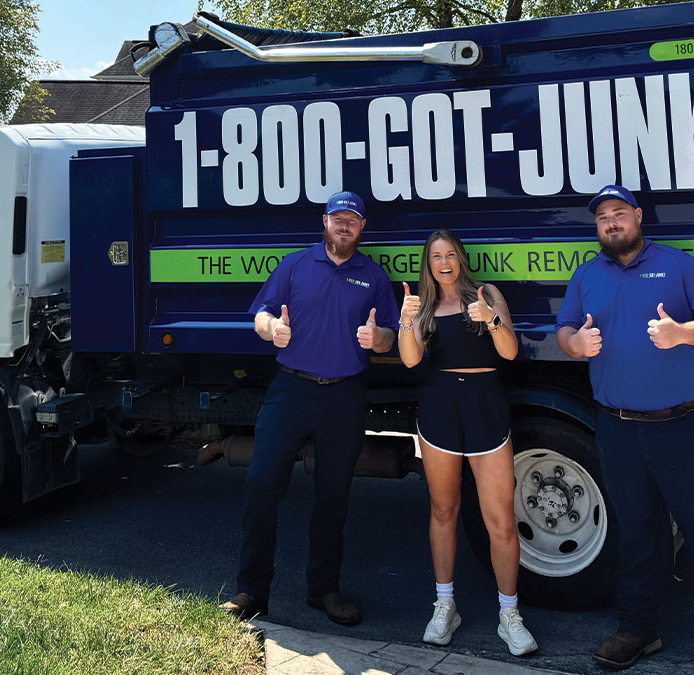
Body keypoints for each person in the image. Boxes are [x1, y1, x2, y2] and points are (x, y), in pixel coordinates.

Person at [554, 185, 694, 675]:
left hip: (681, 427)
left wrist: (682, 334)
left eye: (618, 213)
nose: (611, 222)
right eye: (603, 217)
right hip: (617, 428)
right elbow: (564, 330)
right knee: (637, 535)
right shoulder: (586, 275)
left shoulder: (677, 265)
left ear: (637, 216)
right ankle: (638, 631)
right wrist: (576, 343)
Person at [220, 191, 399, 626]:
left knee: (333, 496)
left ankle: (324, 590)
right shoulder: (295, 265)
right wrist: (272, 329)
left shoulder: (373, 276)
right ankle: (251, 591)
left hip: (345, 395)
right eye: (337, 219)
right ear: (324, 222)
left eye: (352, 221)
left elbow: (391, 334)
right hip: (291, 390)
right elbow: (260, 314)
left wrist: (377, 340)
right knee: (262, 485)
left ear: (362, 228)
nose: (344, 226)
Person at [396, 229, 538, 656]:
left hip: (485, 408)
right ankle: (445, 606)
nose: (444, 262)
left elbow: (510, 352)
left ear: (461, 258)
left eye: (450, 254)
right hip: (440, 410)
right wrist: (405, 321)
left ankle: (509, 616)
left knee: (499, 519)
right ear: (428, 263)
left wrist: (490, 320)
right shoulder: (422, 307)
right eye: (436, 256)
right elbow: (409, 359)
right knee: (443, 510)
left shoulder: (485, 293)